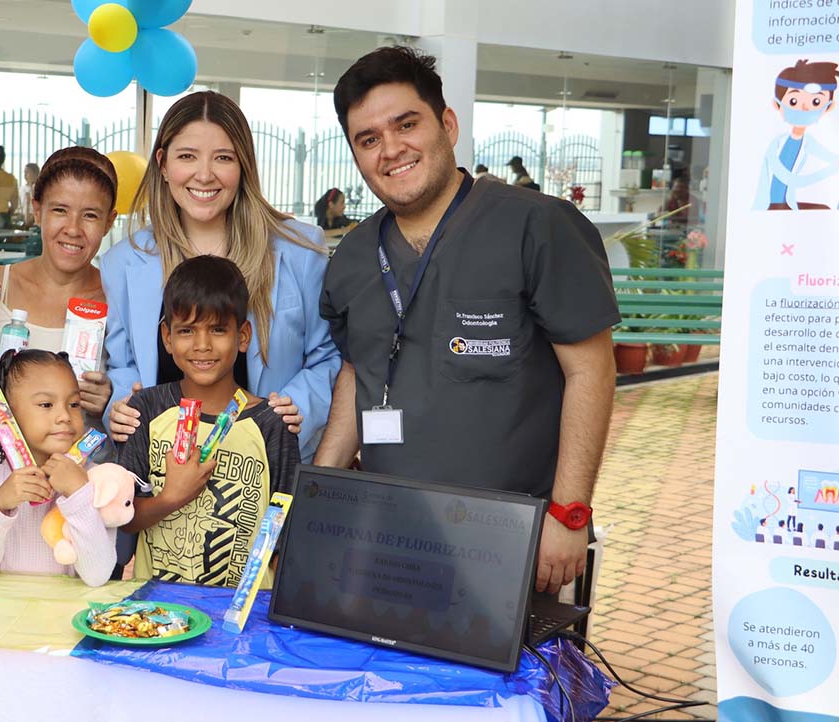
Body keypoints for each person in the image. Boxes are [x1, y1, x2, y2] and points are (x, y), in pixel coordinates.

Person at [316, 46, 619, 595]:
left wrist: (570, 512)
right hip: (389, 538)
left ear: (447, 124)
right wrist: (320, 494)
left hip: (513, 540)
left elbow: (591, 371)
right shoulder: (355, 257)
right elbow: (355, 374)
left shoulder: (537, 227)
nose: (391, 149)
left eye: (406, 124)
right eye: (368, 139)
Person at [101, 90, 339, 462]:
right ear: (163, 164)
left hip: (263, 468)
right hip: (164, 478)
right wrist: (119, 406)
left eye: (223, 158)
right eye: (187, 156)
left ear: (243, 165)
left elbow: (327, 356)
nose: (205, 174)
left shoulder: (301, 250)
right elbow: (122, 365)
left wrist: (296, 408)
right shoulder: (123, 262)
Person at [115, 256, 299, 588]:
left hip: (243, 617)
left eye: (217, 329)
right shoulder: (147, 409)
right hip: (155, 611)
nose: (202, 345)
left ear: (243, 336)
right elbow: (123, 518)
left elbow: (286, 535)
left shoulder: (272, 424)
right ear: (167, 338)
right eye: (187, 331)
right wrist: (171, 497)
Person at [0, 146, 117, 424]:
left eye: (90, 215)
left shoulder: (117, 297)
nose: (73, 228)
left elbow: (141, 387)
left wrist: (111, 400)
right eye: (60, 210)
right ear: (37, 210)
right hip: (1, 464)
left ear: (109, 222)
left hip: (90, 465)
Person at [0, 349, 116, 586]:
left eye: (74, 404)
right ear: (5, 412)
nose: (64, 415)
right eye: (46, 404)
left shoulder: (96, 475)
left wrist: (77, 493)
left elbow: (98, 575)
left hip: (65, 616)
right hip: (3, 615)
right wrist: (0, 503)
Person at [754, 59, 839, 210]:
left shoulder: (808, 142)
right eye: (793, 101)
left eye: (816, 102)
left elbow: (830, 157)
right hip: (771, 207)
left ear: (828, 107)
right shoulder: (777, 144)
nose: (805, 108)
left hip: (790, 205)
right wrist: (827, 171)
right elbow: (788, 178)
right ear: (777, 104)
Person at [19, 162, 40, 227]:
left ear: (35, 174)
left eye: (27, 173)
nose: (25, 175)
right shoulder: (22, 188)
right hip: (23, 215)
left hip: (33, 216)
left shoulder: (38, 187)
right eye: (24, 173)